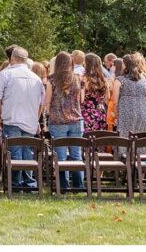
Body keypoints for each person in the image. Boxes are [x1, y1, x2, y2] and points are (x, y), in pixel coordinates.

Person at [0, 46, 43, 191]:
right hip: (30, 120)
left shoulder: (5, 75)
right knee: (27, 152)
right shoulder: (36, 78)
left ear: (12, 58)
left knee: (14, 152)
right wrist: (36, 119)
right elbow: (41, 103)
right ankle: (29, 183)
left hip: (11, 118)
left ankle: (16, 184)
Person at [44, 52, 85, 191]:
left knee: (60, 157)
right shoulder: (78, 78)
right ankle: (79, 186)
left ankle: (63, 187)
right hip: (76, 119)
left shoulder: (51, 80)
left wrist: (46, 118)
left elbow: (47, 102)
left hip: (58, 121)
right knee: (76, 155)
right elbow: (81, 100)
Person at [112, 53, 146, 146]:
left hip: (125, 109)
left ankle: (124, 156)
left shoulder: (120, 80)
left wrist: (115, 113)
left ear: (126, 65)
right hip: (142, 109)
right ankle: (138, 156)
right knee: (139, 135)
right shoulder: (144, 78)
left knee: (124, 135)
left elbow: (114, 100)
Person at [81, 53, 109, 133]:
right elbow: (107, 98)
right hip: (101, 112)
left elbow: (81, 99)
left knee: (87, 141)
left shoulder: (83, 79)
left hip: (87, 113)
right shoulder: (104, 79)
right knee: (98, 141)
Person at [107, 57, 124, 130]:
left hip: (113, 102)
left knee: (112, 124)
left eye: (112, 66)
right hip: (122, 103)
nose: (111, 67)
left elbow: (110, 88)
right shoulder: (124, 77)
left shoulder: (114, 77)